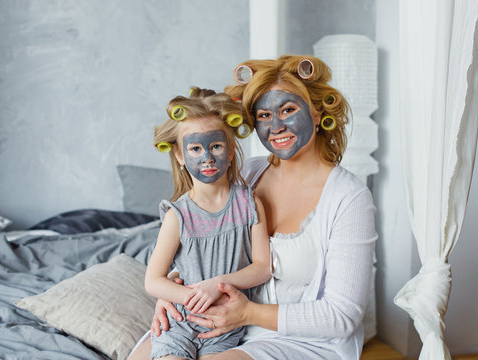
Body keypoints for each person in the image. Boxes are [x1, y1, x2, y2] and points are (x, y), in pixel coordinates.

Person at [131, 55, 377, 359]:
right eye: (263, 115)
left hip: (302, 339)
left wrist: (248, 313)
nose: (276, 125)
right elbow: (199, 247)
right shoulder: (245, 176)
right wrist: (170, 294)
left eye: (288, 110)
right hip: (218, 319)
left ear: (317, 113)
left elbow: (342, 316)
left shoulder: (348, 198)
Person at [137, 87, 271, 360]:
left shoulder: (249, 204)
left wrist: (217, 285)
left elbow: (262, 267)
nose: (207, 157)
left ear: (231, 150)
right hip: (179, 323)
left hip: (223, 326)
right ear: (180, 156)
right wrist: (191, 297)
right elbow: (153, 281)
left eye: (216, 146)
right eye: (195, 148)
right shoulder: (178, 215)